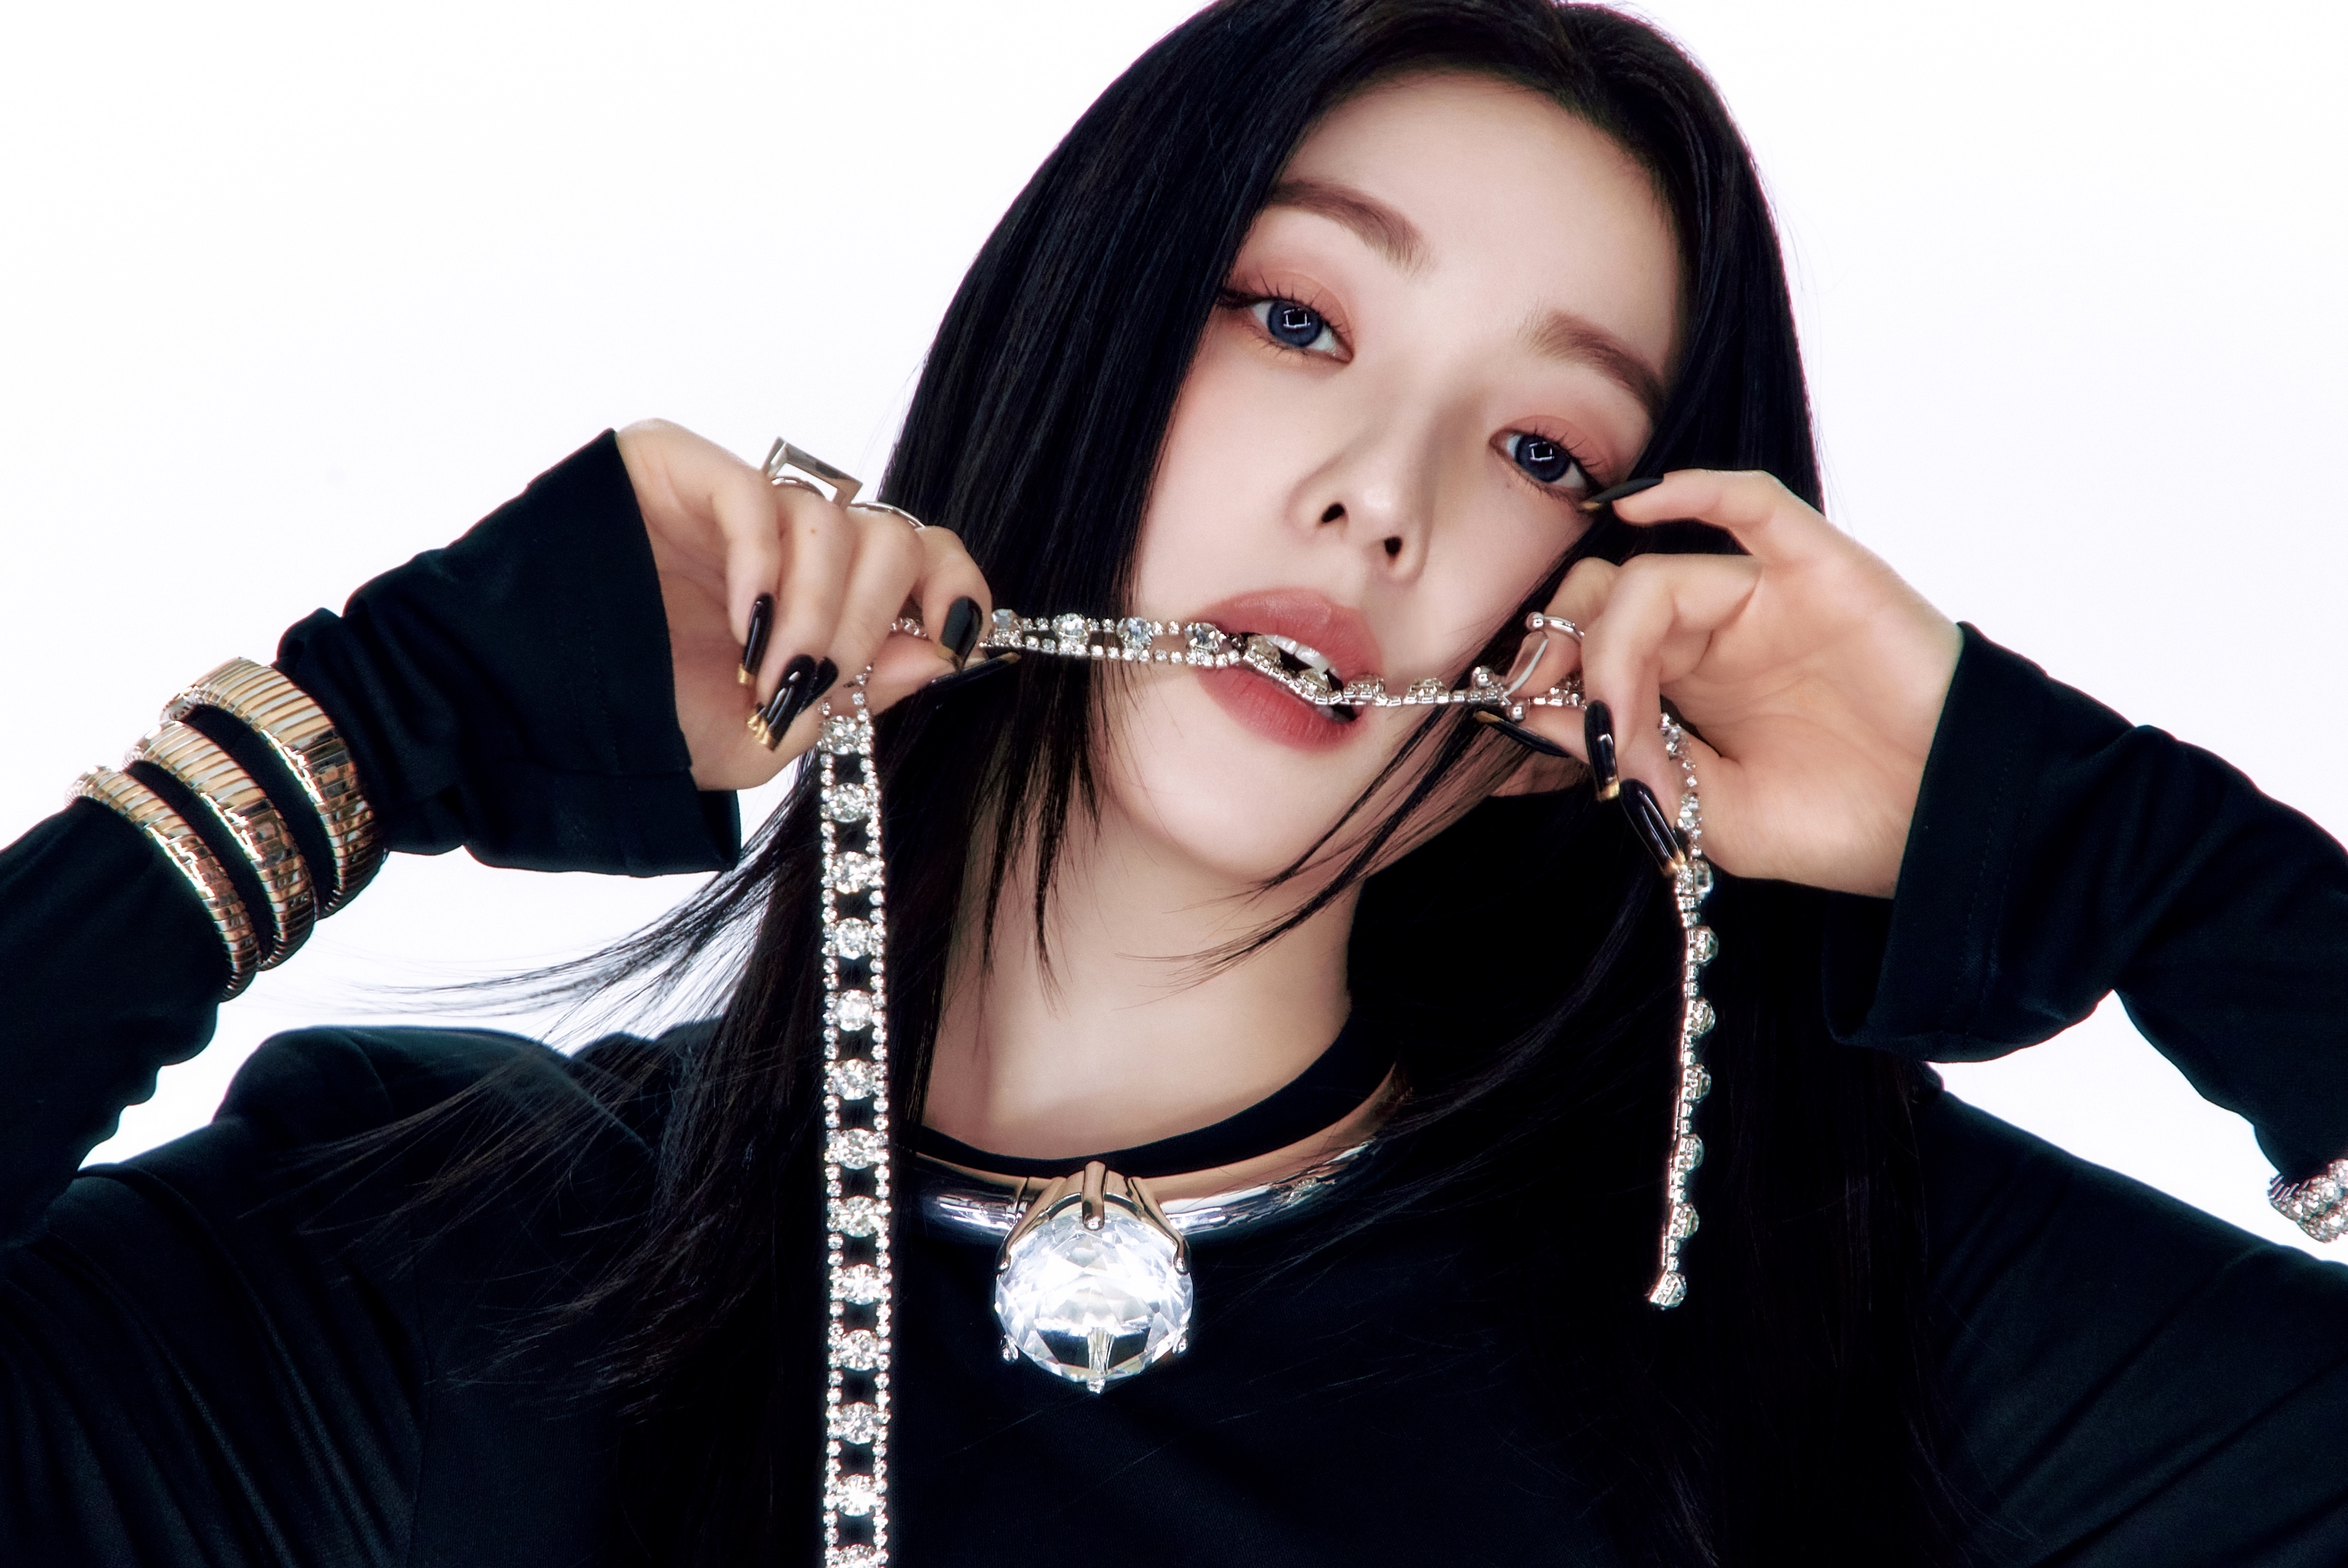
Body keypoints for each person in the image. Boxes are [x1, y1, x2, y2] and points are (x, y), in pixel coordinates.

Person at [6, 1, 2347, 1563]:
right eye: (1296, 319)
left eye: (1543, 449)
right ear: (1079, 348)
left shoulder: (1809, 1288)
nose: (1381, 496)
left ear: (1608, 630)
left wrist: (2109, 844)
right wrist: (340, 743)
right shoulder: (425, 1261)